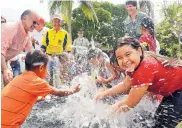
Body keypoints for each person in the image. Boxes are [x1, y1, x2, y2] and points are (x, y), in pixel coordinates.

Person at [95, 36, 182, 127]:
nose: (125, 60)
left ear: (139, 51)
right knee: (157, 122)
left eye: (128, 54)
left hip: (179, 91)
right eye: (120, 58)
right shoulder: (134, 66)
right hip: (174, 92)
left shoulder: (146, 67)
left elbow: (130, 103)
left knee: (161, 125)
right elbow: (125, 85)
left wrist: (106, 114)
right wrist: (104, 93)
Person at [1, 50, 80, 128]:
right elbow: (59, 92)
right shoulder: (37, 81)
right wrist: (73, 90)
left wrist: (42, 97)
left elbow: (25, 98)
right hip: (8, 125)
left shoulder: (19, 78)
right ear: (41, 68)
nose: (47, 72)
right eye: (47, 68)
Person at [1, 10, 39, 87]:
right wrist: (5, 69)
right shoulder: (11, 28)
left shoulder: (27, 35)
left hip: (5, 60)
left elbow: (30, 54)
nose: (36, 25)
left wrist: (40, 67)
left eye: (37, 23)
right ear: (24, 18)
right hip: (2, 58)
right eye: (34, 22)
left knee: (9, 88)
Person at [41, 14, 72, 87]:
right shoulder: (48, 32)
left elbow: (68, 48)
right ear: (52, 22)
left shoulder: (65, 34)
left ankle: (59, 91)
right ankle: (47, 92)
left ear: (61, 22)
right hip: (48, 56)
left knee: (58, 75)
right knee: (47, 75)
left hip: (59, 57)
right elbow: (43, 46)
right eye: (55, 21)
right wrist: (41, 58)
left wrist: (66, 60)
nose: (57, 23)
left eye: (58, 21)